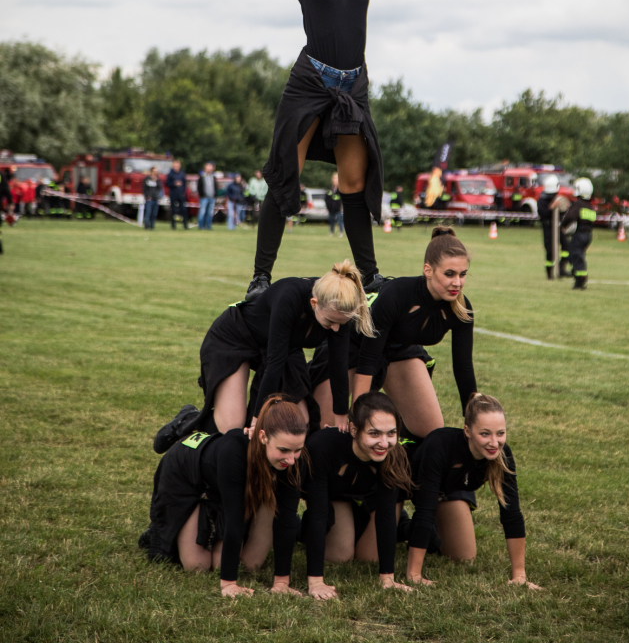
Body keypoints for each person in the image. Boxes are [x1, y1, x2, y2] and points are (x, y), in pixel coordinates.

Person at [226, 0, 445, 302]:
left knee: (354, 181)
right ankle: (261, 276)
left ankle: (369, 275)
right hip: (309, 85)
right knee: (285, 174)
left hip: (352, 88)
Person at [156, 262, 374, 449]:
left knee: (300, 423)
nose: (335, 329)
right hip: (236, 337)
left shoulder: (341, 308)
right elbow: (274, 362)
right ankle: (188, 421)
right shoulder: (290, 296)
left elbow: (338, 364)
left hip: (283, 347)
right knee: (232, 427)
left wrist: (341, 415)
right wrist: (257, 418)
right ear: (314, 304)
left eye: (340, 324)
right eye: (329, 323)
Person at [312, 226, 476, 439]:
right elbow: (368, 359)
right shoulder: (397, 294)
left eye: (462, 274)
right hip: (355, 346)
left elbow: (463, 368)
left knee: (431, 431)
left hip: (399, 350)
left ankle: (397, 448)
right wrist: (357, 417)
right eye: (449, 274)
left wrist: (473, 419)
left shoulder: (462, 308)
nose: (457, 283)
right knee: (329, 430)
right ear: (428, 270)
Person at [141, 396, 308, 598]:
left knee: (249, 565)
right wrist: (229, 584)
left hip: (225, 485)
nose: (291, 459)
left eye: (297, 450)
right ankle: (166, 527)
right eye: (283, 450)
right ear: (263, 437)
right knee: (197, 567)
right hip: (186, 474)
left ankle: (205, 522)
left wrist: (282, 582)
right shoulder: (235, 451)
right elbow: (234, 520)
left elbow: (287, 520)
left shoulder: (295, 460)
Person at [405, 393, 541, 589]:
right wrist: (414, 574)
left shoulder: (502, 454)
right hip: (406, 486)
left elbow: (511, 513)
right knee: (369, 555)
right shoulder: (440, 444)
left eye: (500, 433)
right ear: (467, 431)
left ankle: (407, 528)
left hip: (448, 491)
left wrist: (519, 575)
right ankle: (400, 521)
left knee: (463, 555)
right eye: (485, 434)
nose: (494, 443)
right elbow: (425, 508)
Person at [302, 391, 414, 601]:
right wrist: (316, 582)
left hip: (366, 497)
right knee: (339, 556)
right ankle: (303, 529)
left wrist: (387, 578)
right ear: (353, 429)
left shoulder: (393, 454)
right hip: (331, 496)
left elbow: (386, 515)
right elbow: (317, 512)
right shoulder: (323, 447)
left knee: (368, 557)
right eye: (374, 433)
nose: (384, 442)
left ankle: (387, 521)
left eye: (391, 433)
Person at [561, 177, 597, 290]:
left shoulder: (578, 205)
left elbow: (570, 217)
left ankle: (580, 281)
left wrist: (563, 226)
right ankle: (578, 275)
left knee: (576, 256)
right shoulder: (590, 206)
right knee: (577, 255)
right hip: (588, 235)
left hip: (579, 235)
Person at [537, 174, 569, 279]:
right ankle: (549, 272)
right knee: (550, 251)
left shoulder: (557, 198)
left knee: (566, 246)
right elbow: (543, 213)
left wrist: (565, 208)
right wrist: (551, 207)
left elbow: (563, 213)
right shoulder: (541, 201)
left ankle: (561, 268)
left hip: (558, 227)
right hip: (548, 228)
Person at [166, 160, 189, 230]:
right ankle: (173, 225)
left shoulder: (182, 173)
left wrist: (183, 191)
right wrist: (174, 184)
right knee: (173, 210)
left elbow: (185, 183)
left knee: (184, 210)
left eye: (177, 166)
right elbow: (167, 183)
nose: (176, 167)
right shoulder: (170, 174)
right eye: (175, 166)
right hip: (173, 194)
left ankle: (185, 224)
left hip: (181, 194)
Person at [197, 162, 217, 230]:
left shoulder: (213, 177)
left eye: (210, 167)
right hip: (204, 198)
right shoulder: (202, 177)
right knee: (202, 212)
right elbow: (199, 187)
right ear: (205, 168)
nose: (209, 169)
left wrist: (215, 195)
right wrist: (202, 195)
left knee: (210, 213)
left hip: (212, 198)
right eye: (208, 167)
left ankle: (208, 226)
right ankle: (201, 226)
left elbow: (215, 187)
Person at [325, 173, 344, 238]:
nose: (335, 180)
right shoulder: (329, 189)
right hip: (331, 209)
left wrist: (340, 206)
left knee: (340, 220)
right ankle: (331, 232)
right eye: (334, 178)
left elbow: (342, 199)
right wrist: (328, 206)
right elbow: (326, 198)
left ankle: (341, 232)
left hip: (338, 209)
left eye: (336, 179)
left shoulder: (341, 189)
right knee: (331, 221)